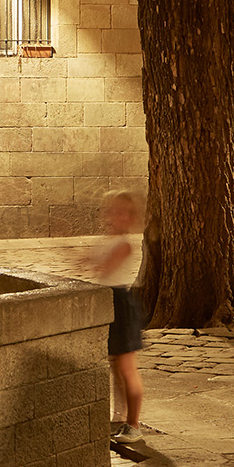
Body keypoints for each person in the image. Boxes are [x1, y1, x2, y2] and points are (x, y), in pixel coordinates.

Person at [86, 189, 145, 443]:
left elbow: (105, 267)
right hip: (108, 303)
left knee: (127, 368)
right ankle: (120, 416)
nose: (114, 216)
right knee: (115, 366)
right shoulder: (108, 239)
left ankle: (134, 423)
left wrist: (88, 263)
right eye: (112, 210)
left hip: (121, 305)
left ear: (130, 218)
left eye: (121, 212)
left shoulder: (125, 244)